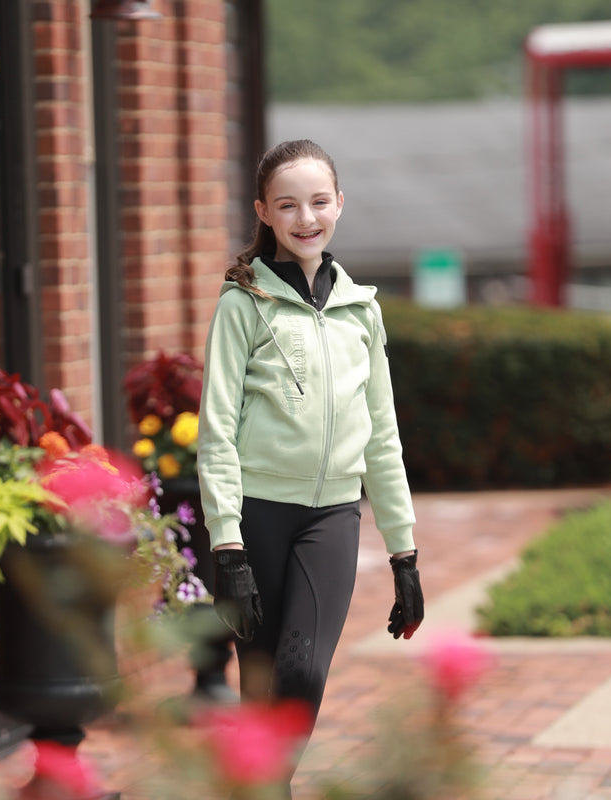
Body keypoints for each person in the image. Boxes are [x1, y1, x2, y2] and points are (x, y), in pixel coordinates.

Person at [197, 139, 424, 794]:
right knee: (262, 690)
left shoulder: (362, 310)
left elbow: (383, 437)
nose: (306, 218)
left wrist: (404, 557)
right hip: (257, 520)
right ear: (264, 211)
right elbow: (216, 433)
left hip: (330, 518)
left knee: (300, 676)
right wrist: (228, 550)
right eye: (289, 204)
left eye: (319, 202)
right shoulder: (244, 304)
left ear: (339, 205)